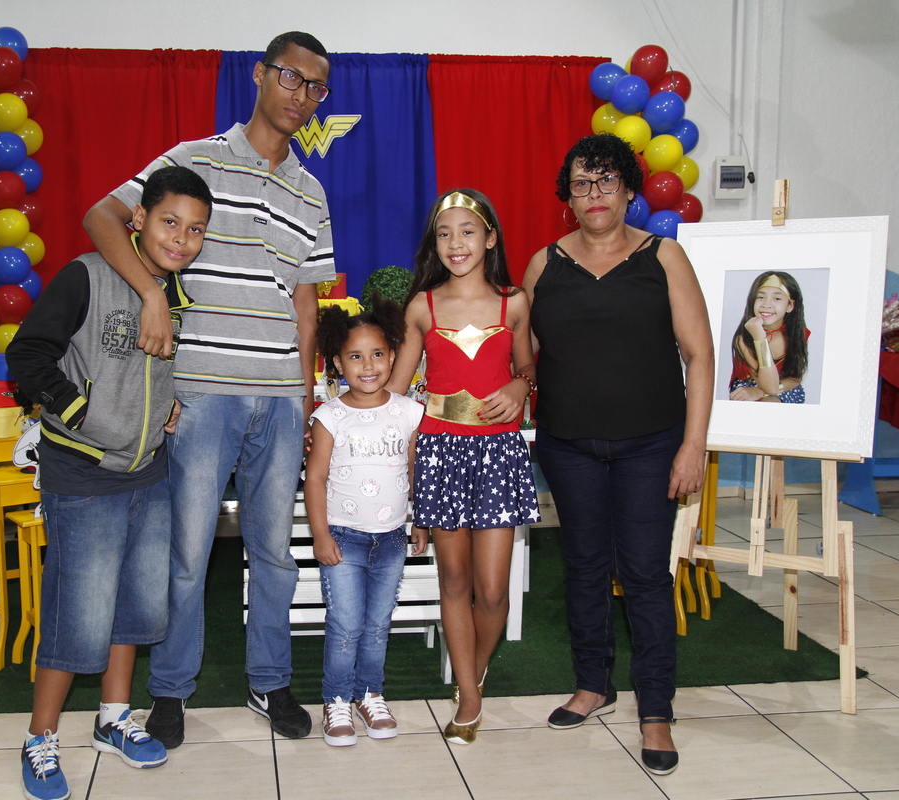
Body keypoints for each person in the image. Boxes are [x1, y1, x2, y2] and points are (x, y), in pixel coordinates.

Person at [82, 32, 334, 745]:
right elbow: (103, 216)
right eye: (290, 77)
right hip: (198, 395)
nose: (301, 95)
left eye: (316, 87)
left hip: (279, 399)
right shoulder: (195, 159)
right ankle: (170, 691)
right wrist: (151, 296)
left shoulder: (312, 192)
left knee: (275, 553)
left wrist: (305, 397)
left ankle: (270, 682)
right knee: (187, 553)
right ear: (260, 75)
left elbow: (306, 303)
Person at [5, 166, 212, 800]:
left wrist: (166, 407)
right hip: (83, 473)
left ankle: (113, 719)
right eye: (170, 222)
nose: (181, 239)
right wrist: (79, 413)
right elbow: (26, 356)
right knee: (78, 612)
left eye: (195, 230)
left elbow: (155, 373)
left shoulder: (177, 295)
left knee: (135, 607)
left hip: (148, 471)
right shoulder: (86, 276)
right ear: (138, 219)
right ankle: (40, 737)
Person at [522, 133, 714, 777]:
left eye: (607, 180)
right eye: (582, 183)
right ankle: (592, 684)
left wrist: (693, 446)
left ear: (630, 190)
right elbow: (521, 357)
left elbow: (700, 355)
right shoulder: (544, 265)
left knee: (645, 576)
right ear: (569, 197)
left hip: (651, 446)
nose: (595, 193)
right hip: (569, 447)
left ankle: (655, 709)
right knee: (582, 568)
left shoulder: (664, 257)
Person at [387, 188, 540, 745]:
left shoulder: (514, 303)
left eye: (468, 231)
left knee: (493, 590)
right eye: (444, 233)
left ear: (490, 238)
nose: (456, 243)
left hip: (498, 453)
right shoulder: (422, 307)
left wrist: (521, 386)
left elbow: (528, 368)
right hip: (441, 452)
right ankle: (470, 696)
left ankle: (473, 671)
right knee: (453, 580)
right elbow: (397, 394)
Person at [305, 297, 426, 747]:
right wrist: (321, 534)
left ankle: (369, 694)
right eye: (355, 357)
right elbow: (315, 478)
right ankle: (336, 699)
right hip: (343, 538)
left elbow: (414, 472)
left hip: (391, 538)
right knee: (345, 625)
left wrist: (421, 520)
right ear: (337, 363)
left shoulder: (409, 412)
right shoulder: (329, 417)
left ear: (393, 356)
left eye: (377, 354)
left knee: (377, 624)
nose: (368, 365)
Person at [728, 271, 809, 403]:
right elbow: (768, 385)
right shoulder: (742, 339)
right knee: (766, 401)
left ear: (790, 306)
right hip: (751, 385)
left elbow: (795, 378)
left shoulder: (798, 334)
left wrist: (765, 391)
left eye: (777, 298)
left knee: (771, 400)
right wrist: (759, 337)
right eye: (760, 297)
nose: (766, 304)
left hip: (785, 388)